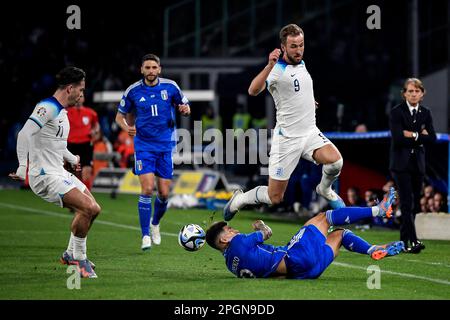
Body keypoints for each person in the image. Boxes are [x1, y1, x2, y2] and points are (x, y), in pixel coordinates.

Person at [223, 24, 345, 221]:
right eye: (294, 46)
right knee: (275, 197)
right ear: (283, 47)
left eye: (301, 45)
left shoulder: (302, 64)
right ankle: (241, 199)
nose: (298, 50)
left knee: (336, 161)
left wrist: (308, 102)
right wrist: (269, 65)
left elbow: (296, 89)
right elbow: (253, 91)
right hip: (287, 139)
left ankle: (324, 189)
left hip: (309, 132)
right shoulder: (277, 70)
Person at [9, 67, 100, 278]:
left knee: (94, 209)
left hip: (59, 171)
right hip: (44, 176)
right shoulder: (47, 107)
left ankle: (70, 254)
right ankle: (79, 259)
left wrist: (71, 159)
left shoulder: (62, 112)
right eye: (81, 89)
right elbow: (24, 134)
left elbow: (56, 145)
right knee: (88, 207)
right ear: (70, 88)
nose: (82, 94)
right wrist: (23, 167)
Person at [207, 187, 404, 279]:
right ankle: (379, 209)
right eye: (229, 230)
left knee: (340, 235)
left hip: (305, 273)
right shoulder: (239, 242)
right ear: (224, 239)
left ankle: (373, 249)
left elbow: (270, 274)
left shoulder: (230, 266)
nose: (233, 230)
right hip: (296, 258)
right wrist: (260, 226)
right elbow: (267, 232)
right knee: (323, 217)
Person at [115, 53, 190, 251]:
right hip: (144, 146)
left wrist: (185, 109)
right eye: (147, 68)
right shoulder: (133, 91)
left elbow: (185, 105)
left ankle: (155, 224)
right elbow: (119, 117)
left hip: (165, 145)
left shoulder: (171, 86)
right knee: (147, 189)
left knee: (164, 194)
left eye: (154, 68)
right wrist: (126, 128)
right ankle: (145, 236)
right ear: (141, 69)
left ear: (159, 69)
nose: (150, 71)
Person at [389, 78, 436, 254]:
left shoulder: (426, 113)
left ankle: (403, 241)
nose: (413, 94)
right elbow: (398, 138)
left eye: (416, 91)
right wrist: (419, 136)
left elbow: (432, 138)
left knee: (414, 205)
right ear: (404, 94)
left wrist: (412, 135)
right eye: (410, 91)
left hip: (418, 165)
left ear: (422, 94)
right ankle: (413, 240)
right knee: (407, 203)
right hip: (400, 165)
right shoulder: (396, 112)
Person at [67, 95, 100, 190]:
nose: (78, 98)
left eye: (81, 97)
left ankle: (87, 195)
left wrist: (95, 132)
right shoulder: (66, 112)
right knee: (73, 172)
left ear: (84, 99)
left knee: (87, 172)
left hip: (86, 145)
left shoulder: (91, 113)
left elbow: (96, 127)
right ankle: (73, 193)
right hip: (71, 145)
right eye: (77, 97)